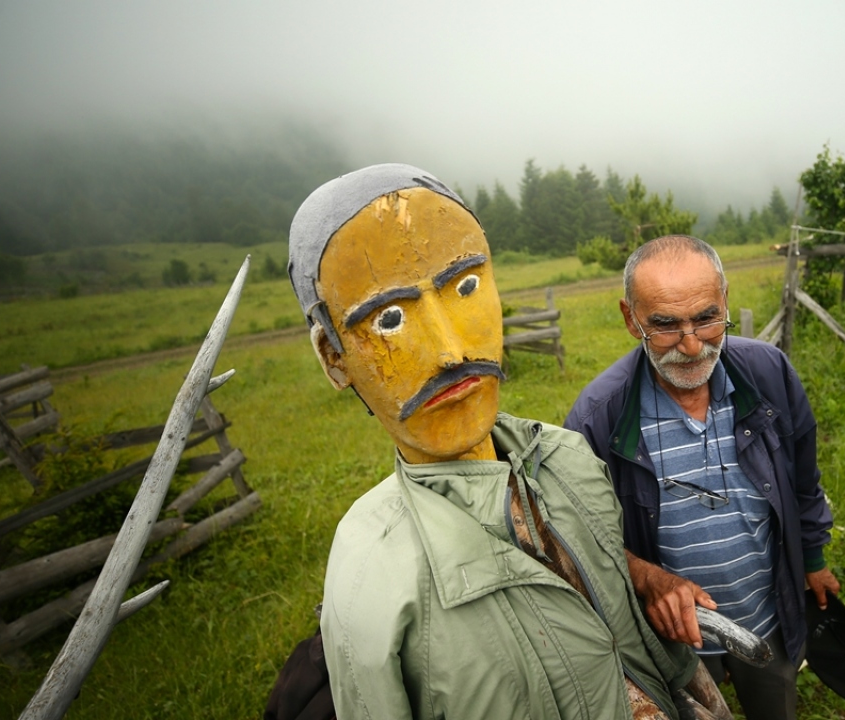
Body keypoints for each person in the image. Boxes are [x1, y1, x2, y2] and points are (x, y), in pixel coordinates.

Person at [286, 164, 731, 720]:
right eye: (390, 318)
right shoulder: (370, 571)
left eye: (465, 286)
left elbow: (614, 603)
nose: (450, 350)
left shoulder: (569, 458)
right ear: (333, 356)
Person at [564, 235, 840, 720]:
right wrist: (648, 578)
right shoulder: (597, 417)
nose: (692, 346)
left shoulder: (768, 372)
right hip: (673, 642)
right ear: (631, 319)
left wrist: (813, 558)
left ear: (726, 300)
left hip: (766, 612)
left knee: (775, 702)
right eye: (666, 326)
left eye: (707, 318)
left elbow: (802, 476)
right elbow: (577, 539)